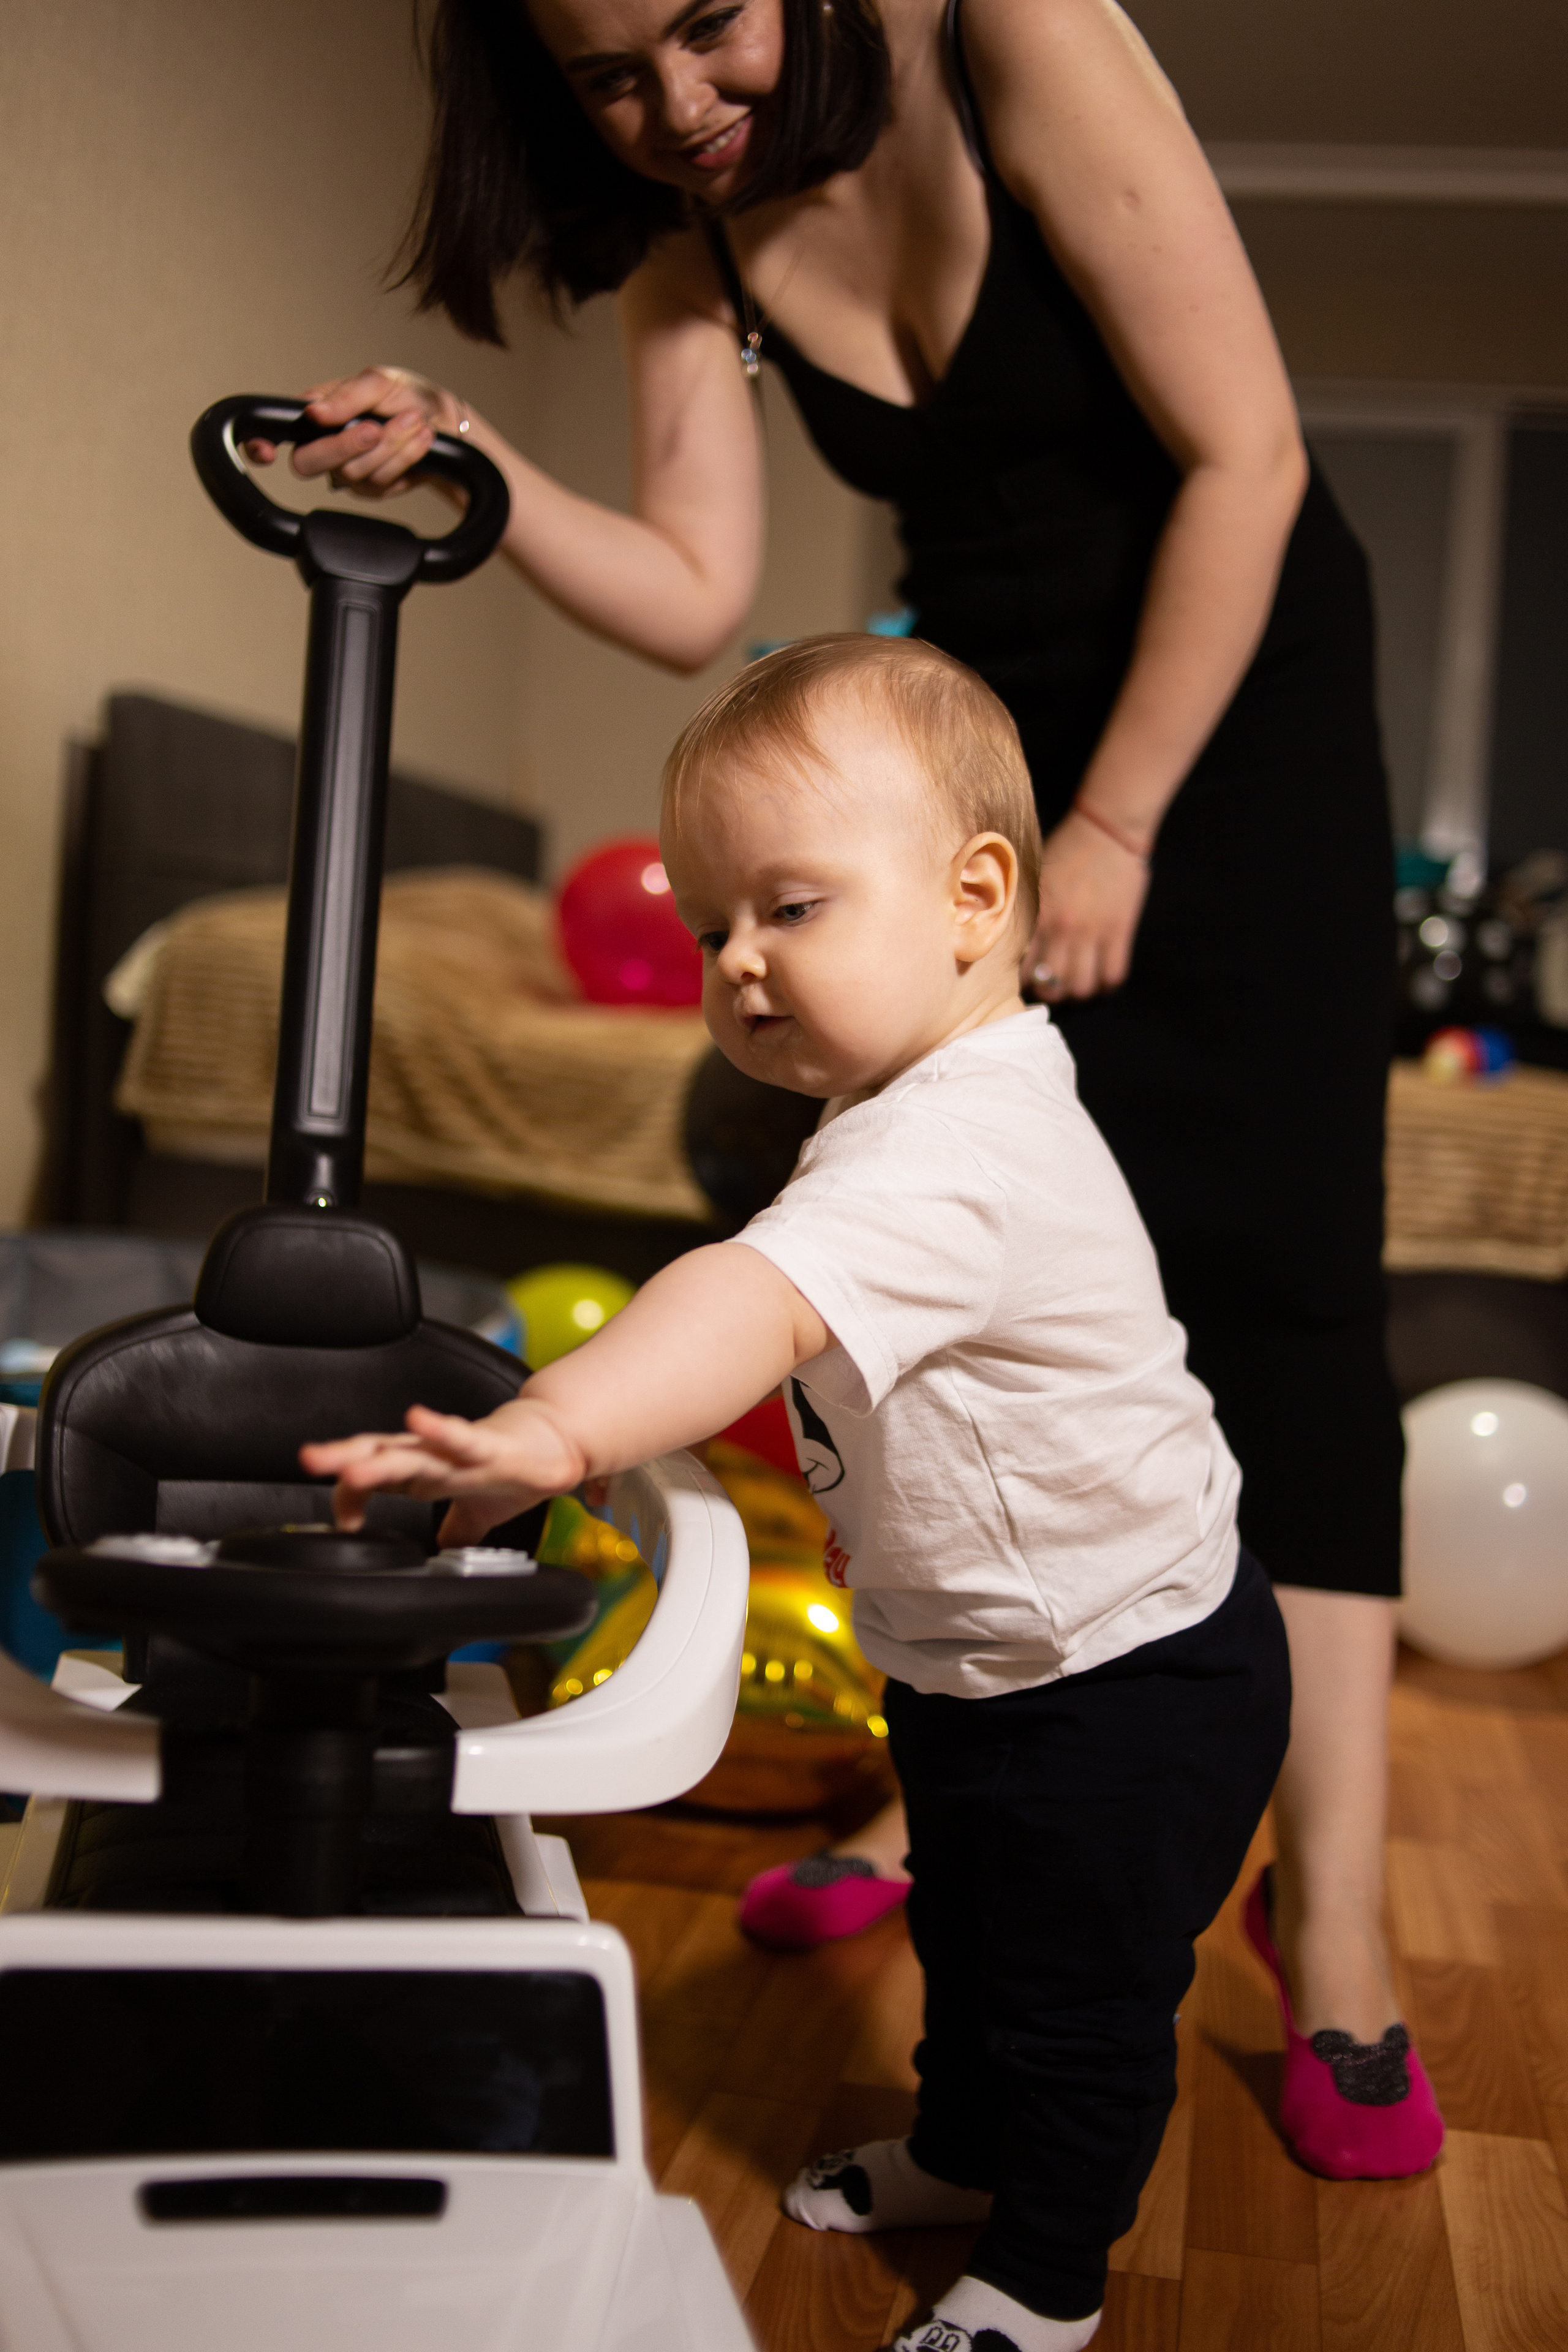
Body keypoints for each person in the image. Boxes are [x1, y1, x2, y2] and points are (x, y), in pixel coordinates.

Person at [269, 0, 1439, 2179]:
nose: (675, 109)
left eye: (705, 29)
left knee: (1284, 1299)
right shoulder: (691, 247)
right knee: (983, 1261)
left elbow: (1250, 457)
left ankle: (1336, 1923)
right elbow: (696, 587)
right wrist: (477, 463)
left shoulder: (1018, 35)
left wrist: (1114, 831)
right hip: (969, 759)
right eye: (608, 77)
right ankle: (984, 1770)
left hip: (1236, 709)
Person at [303, 635, 1294, 2352]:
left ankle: (1047, 2278)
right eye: (711, 926)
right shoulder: (915, 1101)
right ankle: (968, 2147)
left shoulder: (957, 1144)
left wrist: (559, 1427)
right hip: (986, 1654)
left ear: (977, 897)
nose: (739, 964)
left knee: (1076, 1995)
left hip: (1126, 1677)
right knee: (976, 1943)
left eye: (793, 907)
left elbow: (742, 1299)